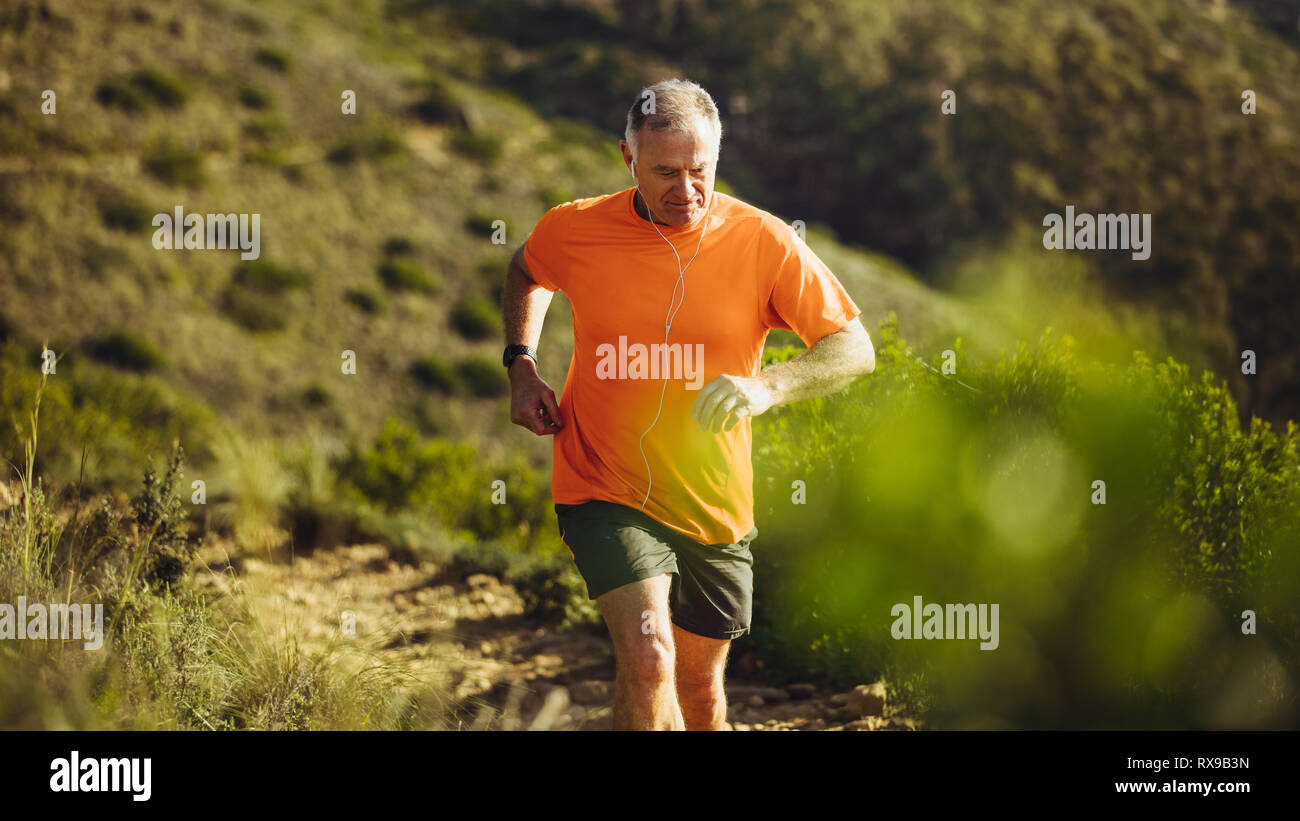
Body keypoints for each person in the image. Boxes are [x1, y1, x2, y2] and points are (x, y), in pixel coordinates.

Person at [502, 78, 875, 730]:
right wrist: (522, 366)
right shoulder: (577, 228)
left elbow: (854, 346)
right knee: (649, 658)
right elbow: (525, 271)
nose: (686, 190)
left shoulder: (762, 241)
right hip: (603, 485)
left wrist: (768, 386)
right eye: (665, 171)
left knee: (700, 696)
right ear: (628, 158)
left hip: (712, 505)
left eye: (700, 170)